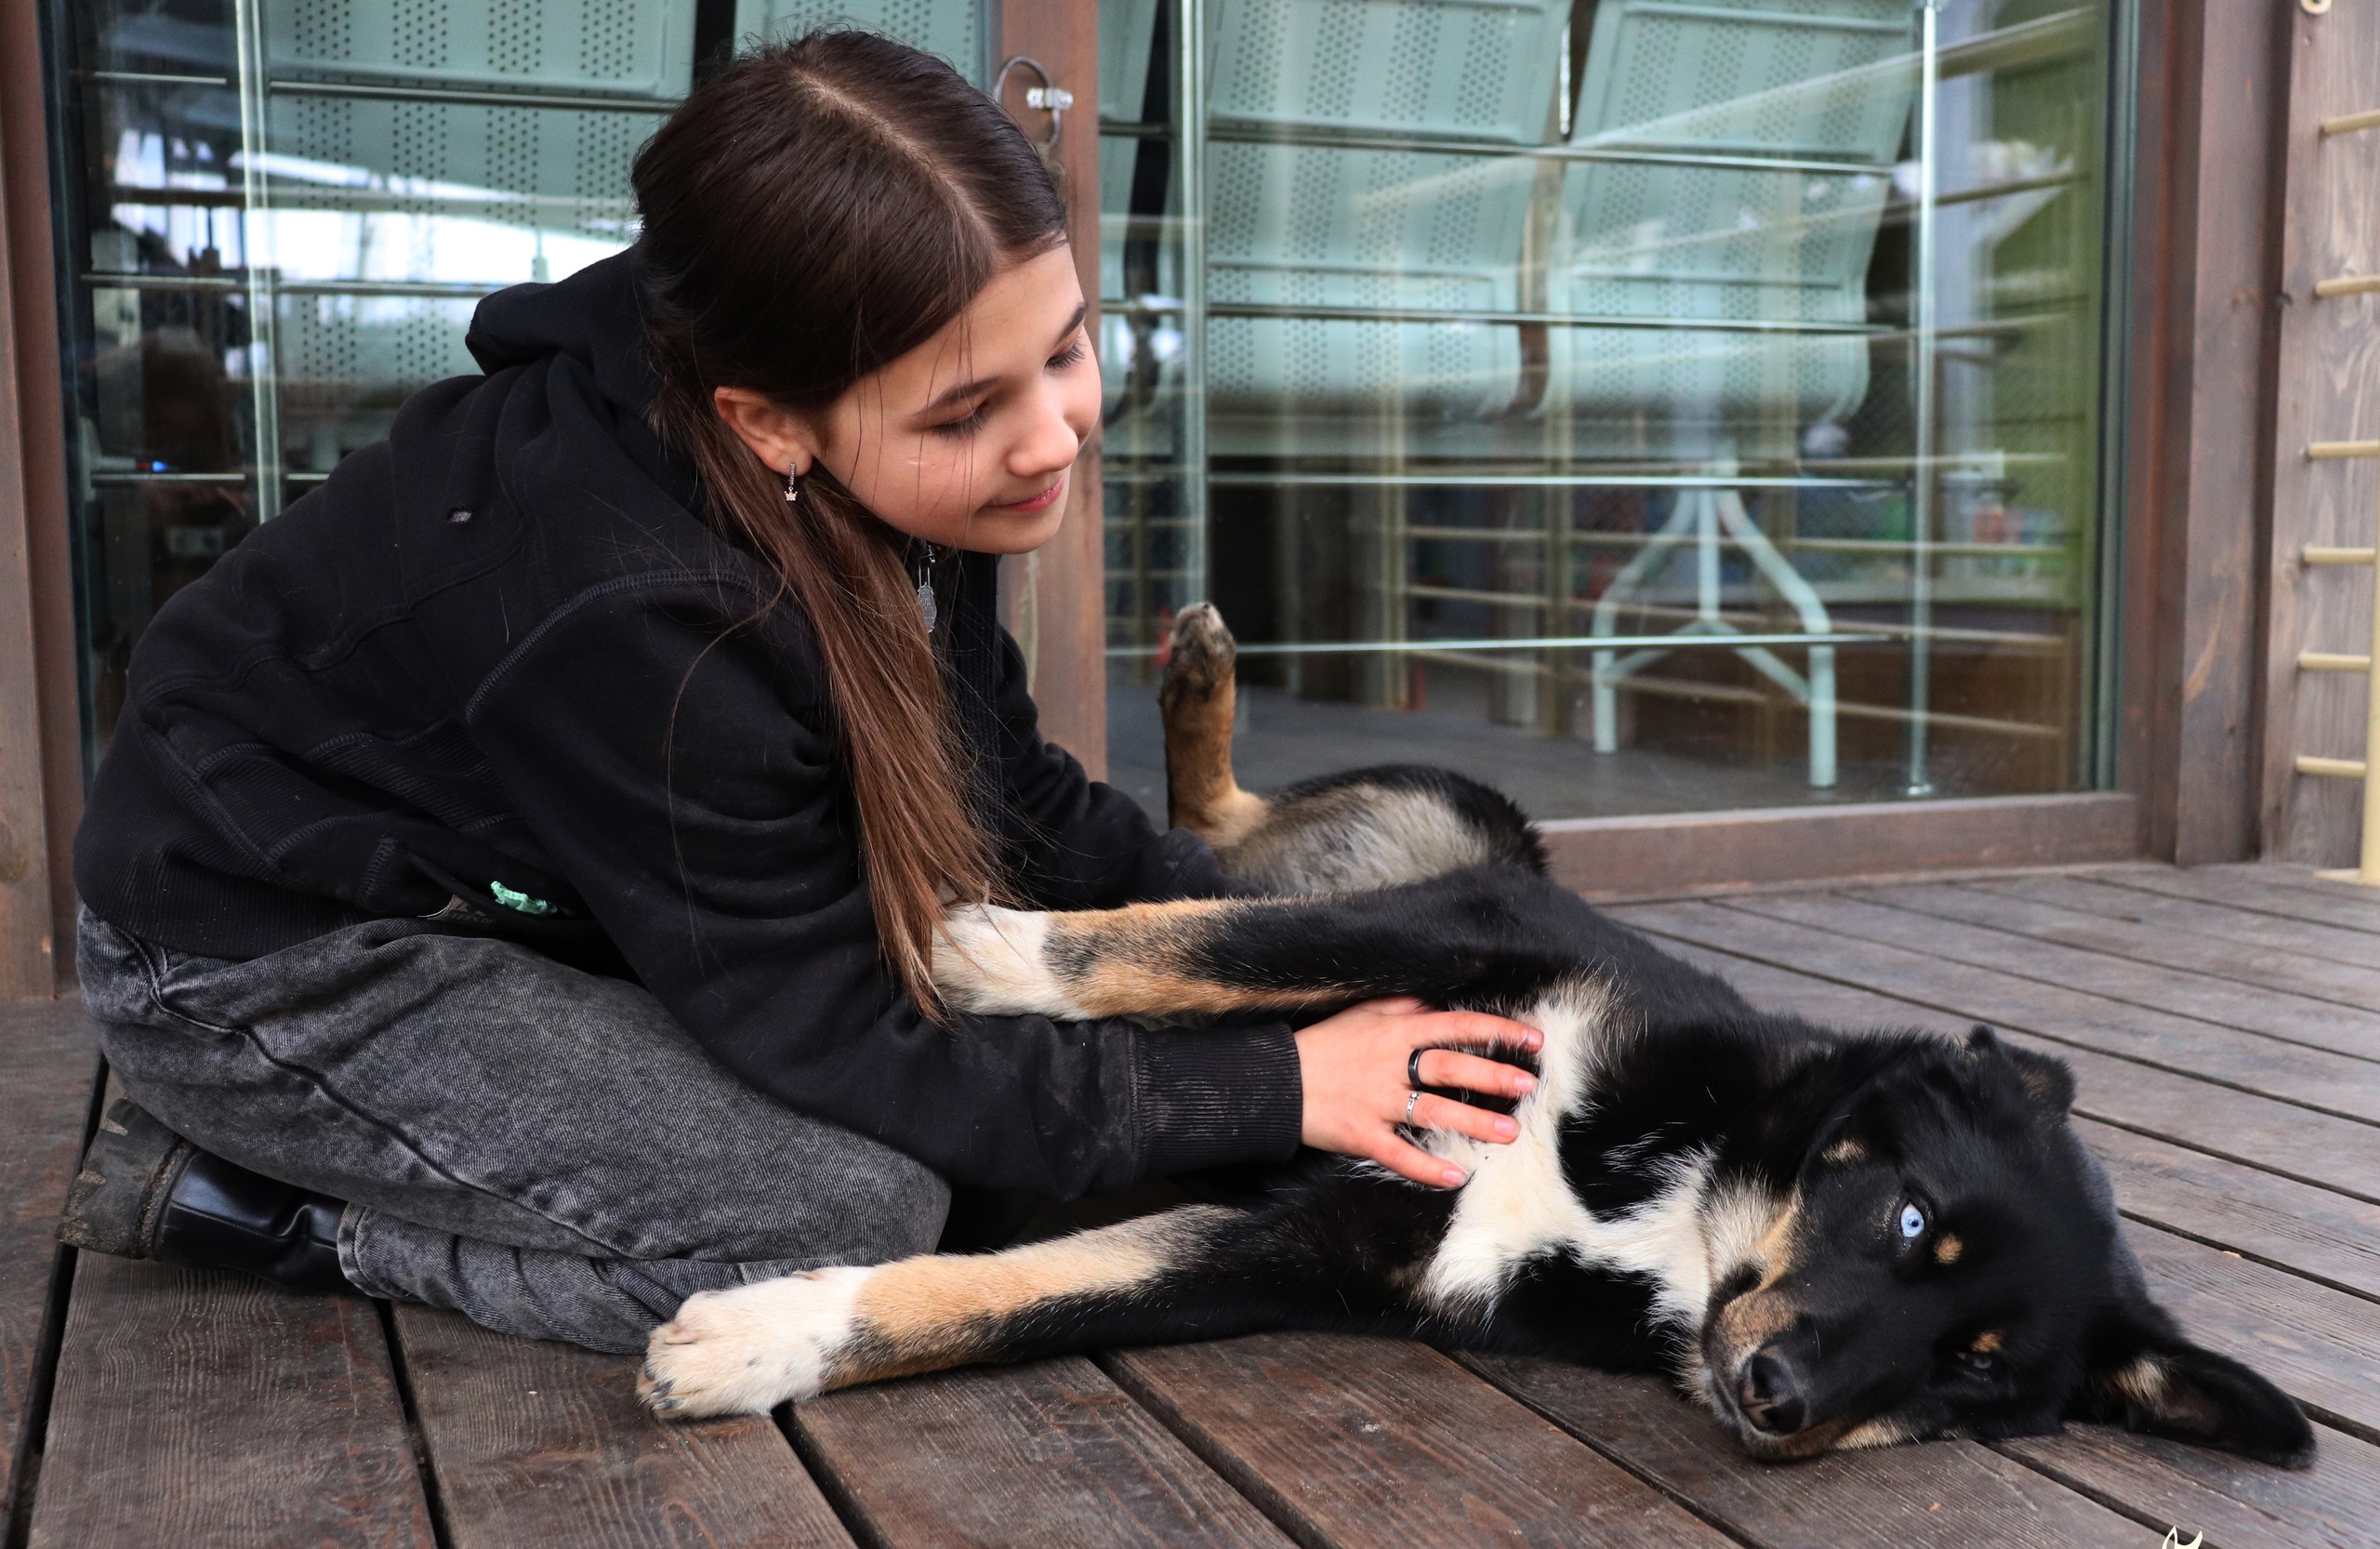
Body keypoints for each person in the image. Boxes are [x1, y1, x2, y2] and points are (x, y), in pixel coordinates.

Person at [60, 33, 1540, 1355]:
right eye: (968, 411)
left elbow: (1012, 800)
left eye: (1069, 350)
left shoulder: (855, 436)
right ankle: (269, 1208)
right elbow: (838, 1030)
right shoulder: (640, 620)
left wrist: (1291, 960)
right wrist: (1280, 1090)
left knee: (1000, 1137)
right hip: (269, 950)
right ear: (764, 419)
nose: (1052, 438)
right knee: (846, 1214)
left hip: (536, 886)